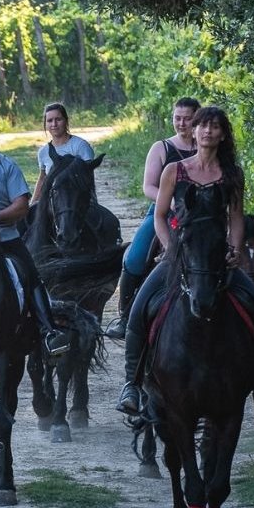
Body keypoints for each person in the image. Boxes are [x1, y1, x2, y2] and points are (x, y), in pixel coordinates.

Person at [114, 106, 254, 418]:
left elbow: (236, 219)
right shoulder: (175, 171)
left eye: (215, 126)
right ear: (193, 132)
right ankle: (132, 384)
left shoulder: (232, 174)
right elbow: (160, 216)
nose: (208, 131)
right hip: (180, 253)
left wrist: (234, 250)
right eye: (202, 126)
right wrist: (171, 249)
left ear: (222, 134)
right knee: (140, 308)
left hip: (216, 258)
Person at [0, 110, 70, 357]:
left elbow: (21, 207)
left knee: (30, 275)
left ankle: (49, 332)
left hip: (3, 239)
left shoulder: (7, 167)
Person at [107, 97, 200, 340]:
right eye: (177, 118)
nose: (181, 123)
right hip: (162, 211)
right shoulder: (162, 148)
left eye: (187, 118)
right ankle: (126, 316)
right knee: (135, 258)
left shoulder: (206, 147)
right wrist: (168, 201)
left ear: (197, 119)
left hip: (200, 216)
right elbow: (148, 186)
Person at [32, 102, 96, 203]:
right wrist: (32, 203)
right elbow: (43, 178)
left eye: (58, 119)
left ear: (66, 121)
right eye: (49, 120)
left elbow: (88, 178)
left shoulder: (80, 146)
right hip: (53, 203)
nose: (54, 124)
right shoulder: (43, 152)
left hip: (80, 202)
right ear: (45, 124)